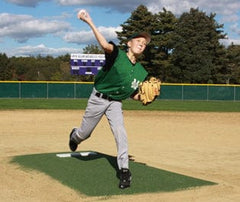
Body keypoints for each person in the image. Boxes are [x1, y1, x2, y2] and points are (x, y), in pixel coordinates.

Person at [69, 10, 151, 189]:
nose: (142, 44)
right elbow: (105, 45)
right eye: (138, 41)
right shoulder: (117, 55)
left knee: (120, 132)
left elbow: (132, 94)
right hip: (98, 98)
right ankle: (75, 137)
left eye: (144, 43)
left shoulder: (141, 73)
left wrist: (144, 99)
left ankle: (124, 171)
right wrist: (89, 21)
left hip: (115, 102)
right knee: (85, 133)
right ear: (129, 43)